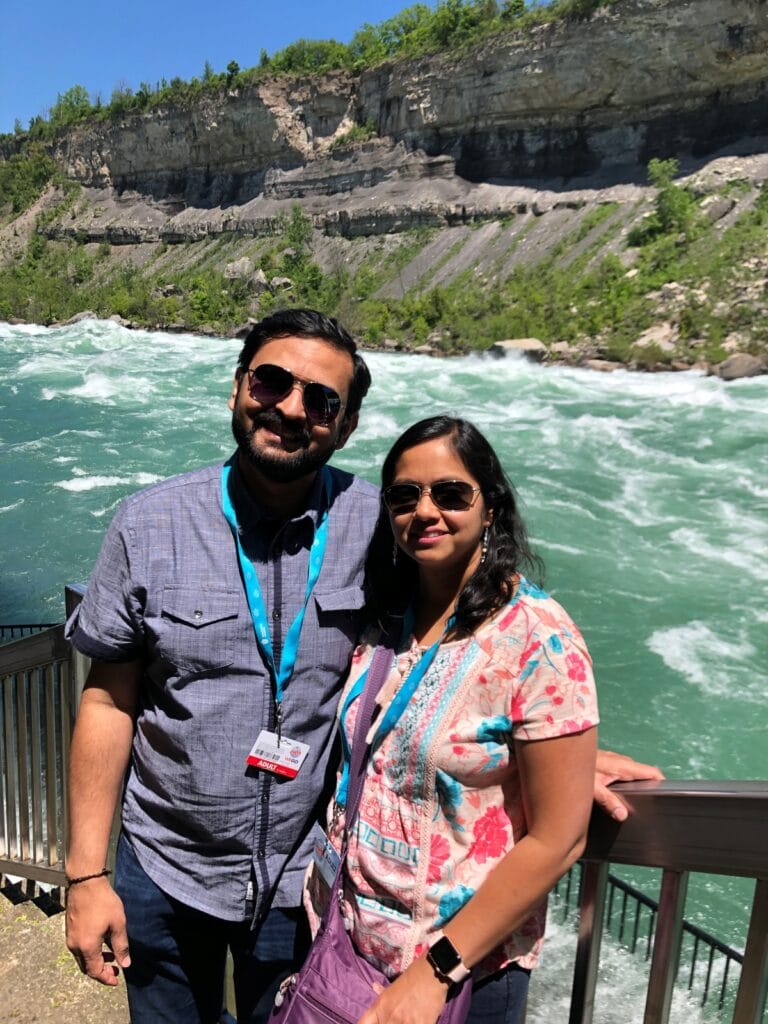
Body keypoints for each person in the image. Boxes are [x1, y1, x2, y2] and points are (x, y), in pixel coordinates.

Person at [64, 308, 661, 1024]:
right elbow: (108, 701)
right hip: (164, 869)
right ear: (236, 388)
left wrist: (550, 756)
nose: (290, 408)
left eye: (320, 399)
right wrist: (86, 874)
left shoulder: (383, 522)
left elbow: (470, 646)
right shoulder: (147, 524)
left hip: (303, 888)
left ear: (343, 426)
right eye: (271, 382)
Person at [306, 415, 600, 1024]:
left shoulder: (538, 638)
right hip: (345, 939)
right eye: (404, 496)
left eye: (450, 493)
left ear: (489, 507)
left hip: (458, 976)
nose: (425, 510)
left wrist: (434, 973)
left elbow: (559, 837)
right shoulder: (389, 616)